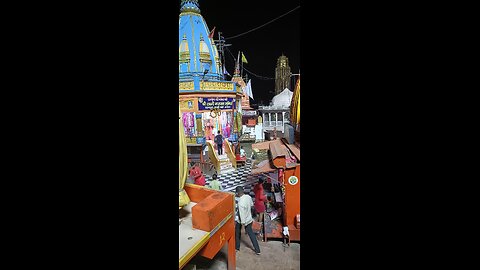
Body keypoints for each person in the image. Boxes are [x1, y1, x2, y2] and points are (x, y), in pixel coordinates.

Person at [235, 186, 261, 255]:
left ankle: (237, 247)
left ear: (237, 193)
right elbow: (252, 206)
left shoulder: (240, 203)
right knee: (251, 234)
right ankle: (257, 250)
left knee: (237, 233)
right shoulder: (248, 197)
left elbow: (241, 214)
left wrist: (243, 224)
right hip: (249, 219)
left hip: (242, 221)